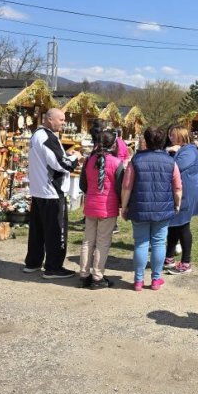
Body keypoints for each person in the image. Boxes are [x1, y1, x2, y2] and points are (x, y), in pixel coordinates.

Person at [120, 126, 182, 292]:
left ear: (146, 141)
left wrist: (124, 206)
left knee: (140, 243)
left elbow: (127, 187)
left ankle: (138, 281)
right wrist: (177, 204)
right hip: (163, 208)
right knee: (159, 243)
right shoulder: (171, 161)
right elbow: (177, 188)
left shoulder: (136, 161)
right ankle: (156, 279)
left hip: (139, 207)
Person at [24, 108, 81, 278]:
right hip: (52, 192)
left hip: (39, 190)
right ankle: (54, 267)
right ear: (49, 119)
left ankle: (33, 262)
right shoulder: (47, 136)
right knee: (56, 231)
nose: (64, 123)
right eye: (61, 120)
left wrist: (66, 154)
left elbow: (50, 157)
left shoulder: (37, 134)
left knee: (38, 230)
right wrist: (75, 157)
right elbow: (60, 164)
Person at [78, 130, 125, 289]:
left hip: (91, 205)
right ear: (114, 144)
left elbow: (82, 185)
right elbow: (120, 188)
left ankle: (84, 275)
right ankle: (97, 277)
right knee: (102, 243)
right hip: (107, 207)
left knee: (88, 241)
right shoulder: (116, 163)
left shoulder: (89, 160)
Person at [165, 124, 198, 275]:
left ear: (181, 135)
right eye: (170, 135)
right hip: (179, 192)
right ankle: (169, 257)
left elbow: (175, 167)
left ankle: (186, 262)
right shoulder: (181, 150)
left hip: (186, 194)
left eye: (173, 135)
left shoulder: (189, 151)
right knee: (173, 225)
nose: (170, 137)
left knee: (182, 226)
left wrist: (168, 152)